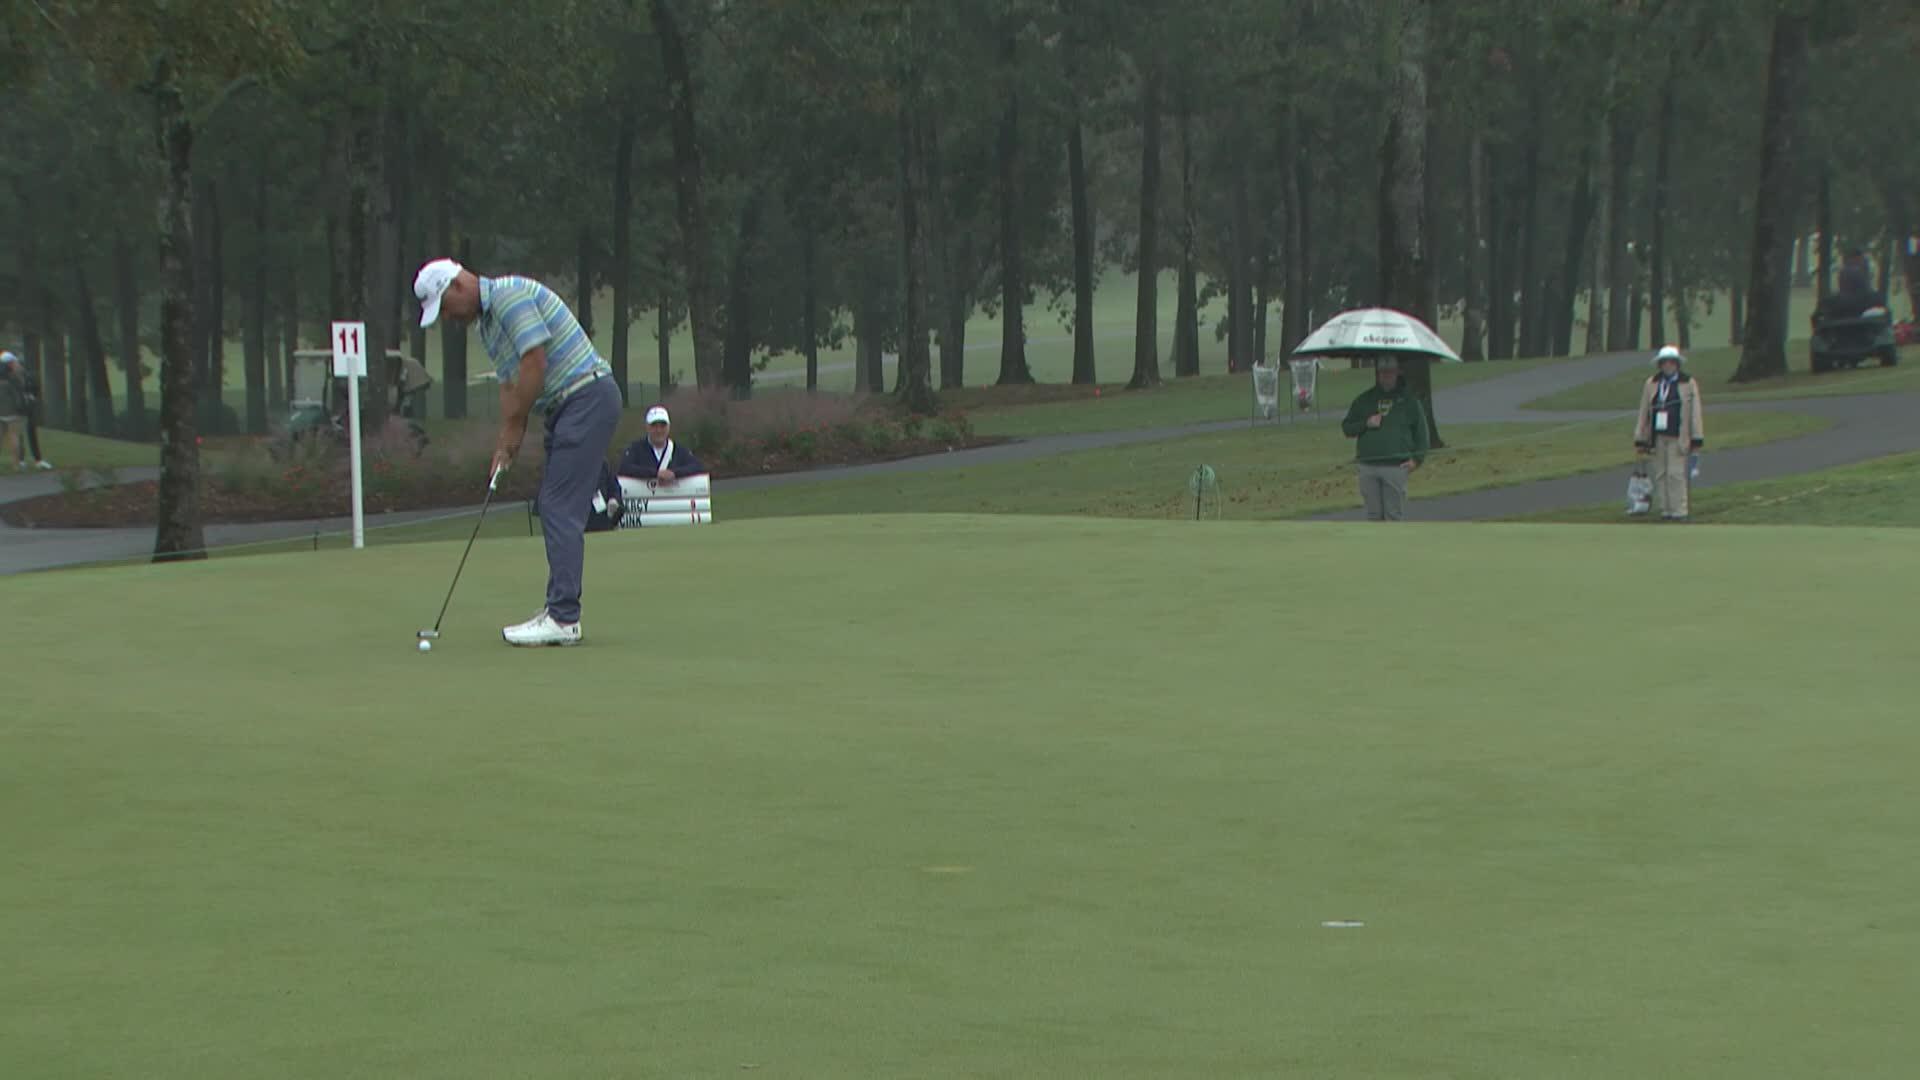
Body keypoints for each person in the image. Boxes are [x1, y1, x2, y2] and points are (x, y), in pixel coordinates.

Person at [414, 258, 621, 647]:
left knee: (558, 506)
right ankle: (559, 610)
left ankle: (563, 618)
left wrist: (516, 424)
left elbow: (534, 361)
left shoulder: (509, 297)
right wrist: (506, 441)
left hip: (586, 397)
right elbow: (511, 384)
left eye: (445, 308)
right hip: (568, 407)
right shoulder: (488, 325)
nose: (448, 318)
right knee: (557, 505)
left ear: (457, 286)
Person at [1340, 356, 1430, 521]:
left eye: (1390, 372)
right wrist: (1366, 423)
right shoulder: (1365, 400)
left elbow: (1422, 435)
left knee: (1393, 515)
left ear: (1397, 372)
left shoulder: (1409, 401)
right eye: (1382, 372)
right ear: (1377, 373)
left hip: (1396, 466)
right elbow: (1347, 428)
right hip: (1368, 465)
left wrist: (1417, 460)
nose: (1386, 375)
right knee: (1373, 515)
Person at [1633, 345, 1705, 523]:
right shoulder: (1652, 383)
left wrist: (1696, 438)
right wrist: (1640, 438)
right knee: (1661, 474)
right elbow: (1644, 411)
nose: (1668, 366)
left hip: (1678, 437)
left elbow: (1695, 412)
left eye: (1671, 362)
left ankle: (1679, 510)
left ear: (1677, 364)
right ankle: (1665, 510)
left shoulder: (1688, 383)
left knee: (1676, 474)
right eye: (1664, 362)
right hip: (1657, 437)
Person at [617, 405, 705, 482]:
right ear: (647, 427)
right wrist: (655, 474)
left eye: (663, 426)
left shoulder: (679, 450)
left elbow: (697, 466)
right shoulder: (635, 449)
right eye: (654, 426)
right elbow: (624, 468)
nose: (659, 430)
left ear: (669, 427)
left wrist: (674, 473)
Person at [1, 352, 52, 470]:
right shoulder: (13, 377)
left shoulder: (12, 376)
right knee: (16, 435)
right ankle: (19, 462)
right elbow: (19, 392)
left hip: (5, 410)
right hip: (14, 410)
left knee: (8, 435)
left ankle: (24, 460)